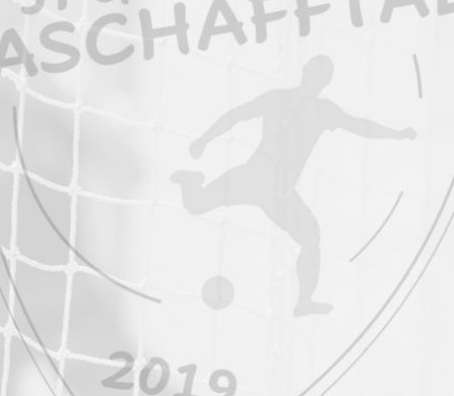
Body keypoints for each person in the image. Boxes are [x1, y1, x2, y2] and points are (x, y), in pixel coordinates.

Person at [172, 56, 416, 316]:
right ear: (305, 71)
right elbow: (237, 115)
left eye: (322, 76)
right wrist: (204, 139)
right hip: (254, 175)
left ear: (327, 81)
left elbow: (359, 126)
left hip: (279, 191)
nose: (316, 79)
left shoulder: (324, 111)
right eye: (315, 73)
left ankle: (304, 302)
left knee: (311, 237)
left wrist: (396, 134)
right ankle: (189, 181)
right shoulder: (277, 98)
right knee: (196, 205)